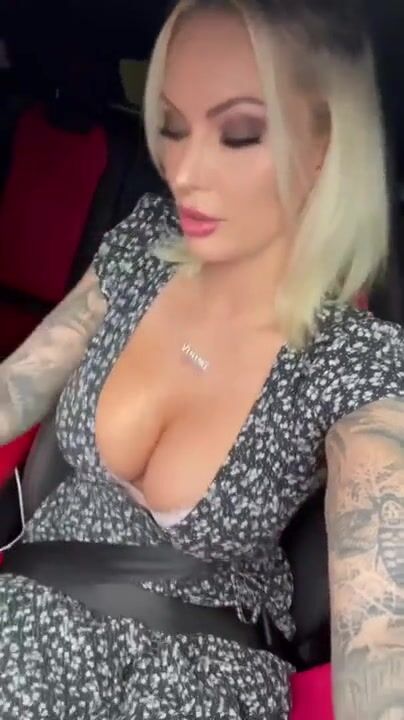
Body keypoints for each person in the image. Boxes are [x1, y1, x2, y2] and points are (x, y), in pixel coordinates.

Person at [0, 0, 404, 718]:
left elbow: (381, 639)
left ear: (324, 144)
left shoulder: (353, 361)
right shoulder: (143, 247)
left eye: (239, 133)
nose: (183, 172)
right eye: (172, 127)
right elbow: (16, 389)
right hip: (28, 617)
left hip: (200, 675)